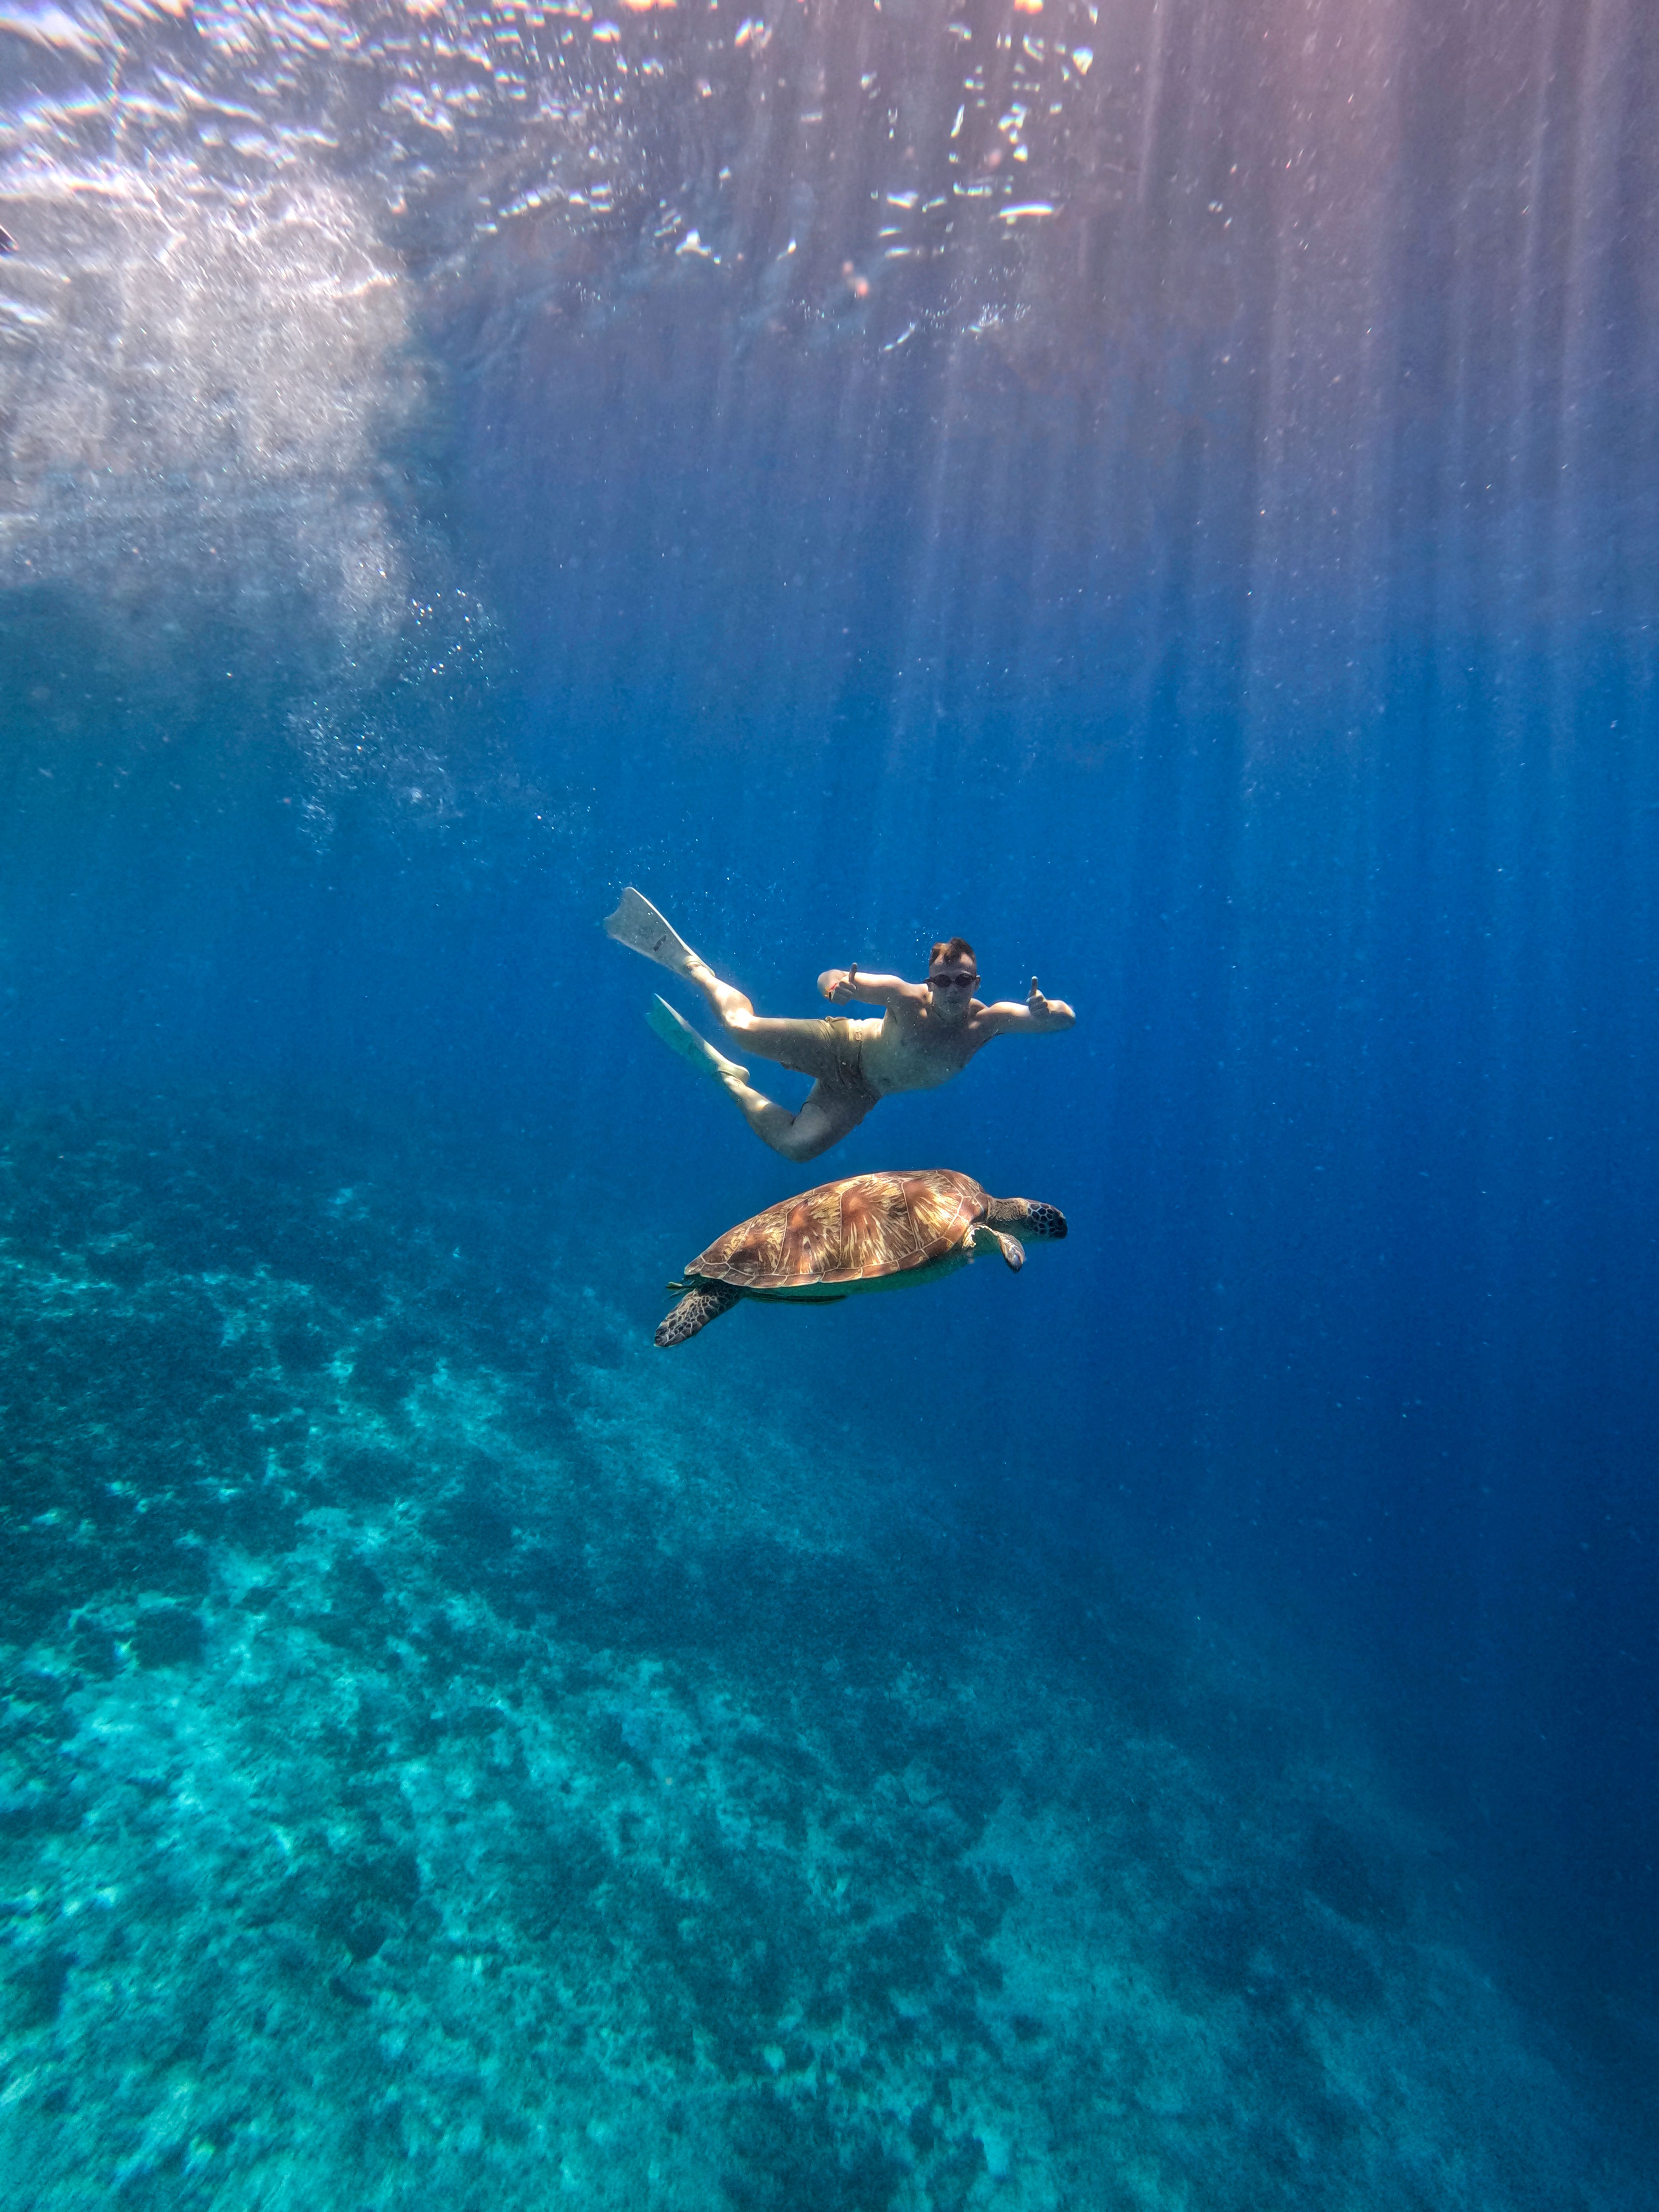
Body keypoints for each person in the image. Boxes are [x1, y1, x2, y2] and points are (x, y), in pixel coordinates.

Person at [604, 887, 1075, 1163]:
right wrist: (837, 990)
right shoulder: (904, 997)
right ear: (929, 982)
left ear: (977, 984)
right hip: (843, 1047)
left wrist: (1045, 1008)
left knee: (797, 1148)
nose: (954, 989)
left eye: (963, 981)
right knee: (741, 1028)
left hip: (862, 1091)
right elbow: (829, 976)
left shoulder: (989, 1022)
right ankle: (695, 970)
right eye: (944, 981)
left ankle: (728, 1077)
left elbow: (1063, 1022)